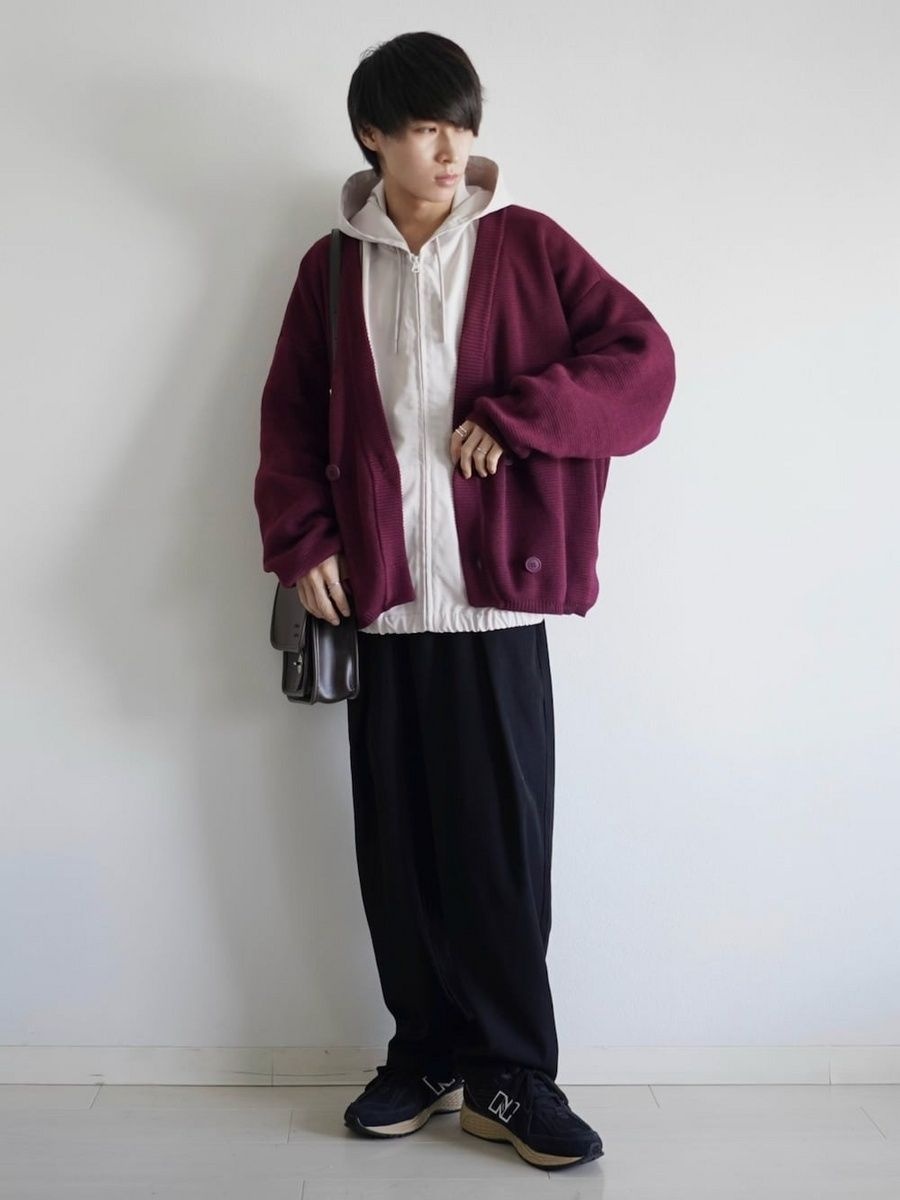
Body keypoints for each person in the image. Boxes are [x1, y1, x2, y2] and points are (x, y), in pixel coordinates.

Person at [253, 31, 676, 1172]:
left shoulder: (528, 245)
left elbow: (643, 364)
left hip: (493, 610)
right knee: (400, 856)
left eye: (463, 126)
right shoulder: (330, 269)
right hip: (383, 607)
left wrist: (524, 413)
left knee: (498, 857)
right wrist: (300, 542)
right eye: (427, 127)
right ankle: (428, 1056)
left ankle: (513, 1076)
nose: (452, 150)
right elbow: (288, 419)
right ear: (373, 136)